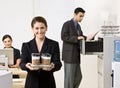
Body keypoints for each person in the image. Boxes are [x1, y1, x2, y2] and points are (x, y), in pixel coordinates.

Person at [20, 16, 62, 88]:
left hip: (48, 83)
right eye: (36, 28)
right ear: (32, 29)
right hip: (31, 83)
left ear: (46, 28)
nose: (39, 31)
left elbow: (58, 63)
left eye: (42, 28)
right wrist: (27, 66)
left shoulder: (54, 44)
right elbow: (22, 64)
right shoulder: (26, 45)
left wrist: (53, 65)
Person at [61, 7, 94, 88]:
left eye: (83, 16)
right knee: (69, 80)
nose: (82, 18)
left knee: (78, 77)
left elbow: (81, 37)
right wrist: (77, 38)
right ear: (75, 14)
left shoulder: (78, 26)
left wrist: (88, 37)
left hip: (76, 56)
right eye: (80, 16)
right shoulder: (67, 24)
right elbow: (64, 37)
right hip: (69, 56)